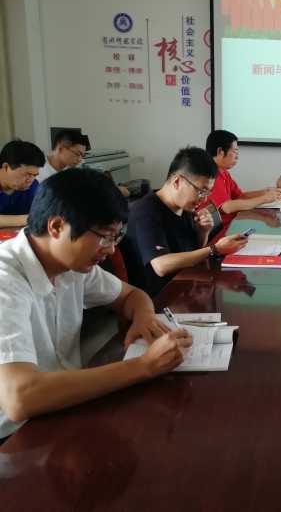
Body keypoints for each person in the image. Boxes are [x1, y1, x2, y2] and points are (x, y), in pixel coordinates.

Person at [0, 168, 193, 440]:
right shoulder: (6, 281)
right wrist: (143, 366)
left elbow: (132, 296)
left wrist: (145, 319)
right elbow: (20, 398)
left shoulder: (71, 265)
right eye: (104, 236)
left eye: (116, 237)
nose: (111, 249)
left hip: (66, 405)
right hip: (14, 437)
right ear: (57, 227)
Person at [121, 147, 247, 296]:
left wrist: (203, 232)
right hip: (158, 298)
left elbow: (193, 253)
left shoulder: (184, 207)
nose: (204, 199)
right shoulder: (146, 211)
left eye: (207, 192)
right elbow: (161, 265)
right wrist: (215, 249)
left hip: (185, 286)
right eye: (201, 191)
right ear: (177, 181)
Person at [202, 129, 281, 225]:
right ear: (220, 151)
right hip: (223, 229)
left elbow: (240, 196)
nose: (237, 157)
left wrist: (266, 192)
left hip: (232, 223)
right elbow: (227, 207)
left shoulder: (224, 173)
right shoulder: (211, 175)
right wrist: (265, 198)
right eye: (235, 151)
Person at [0, 140, 45, 228]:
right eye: (27, 174)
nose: (30, 180)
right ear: (6, 167)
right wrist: (27, 219)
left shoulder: (33, 186)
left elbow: (43, 214)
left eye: (34, 175)